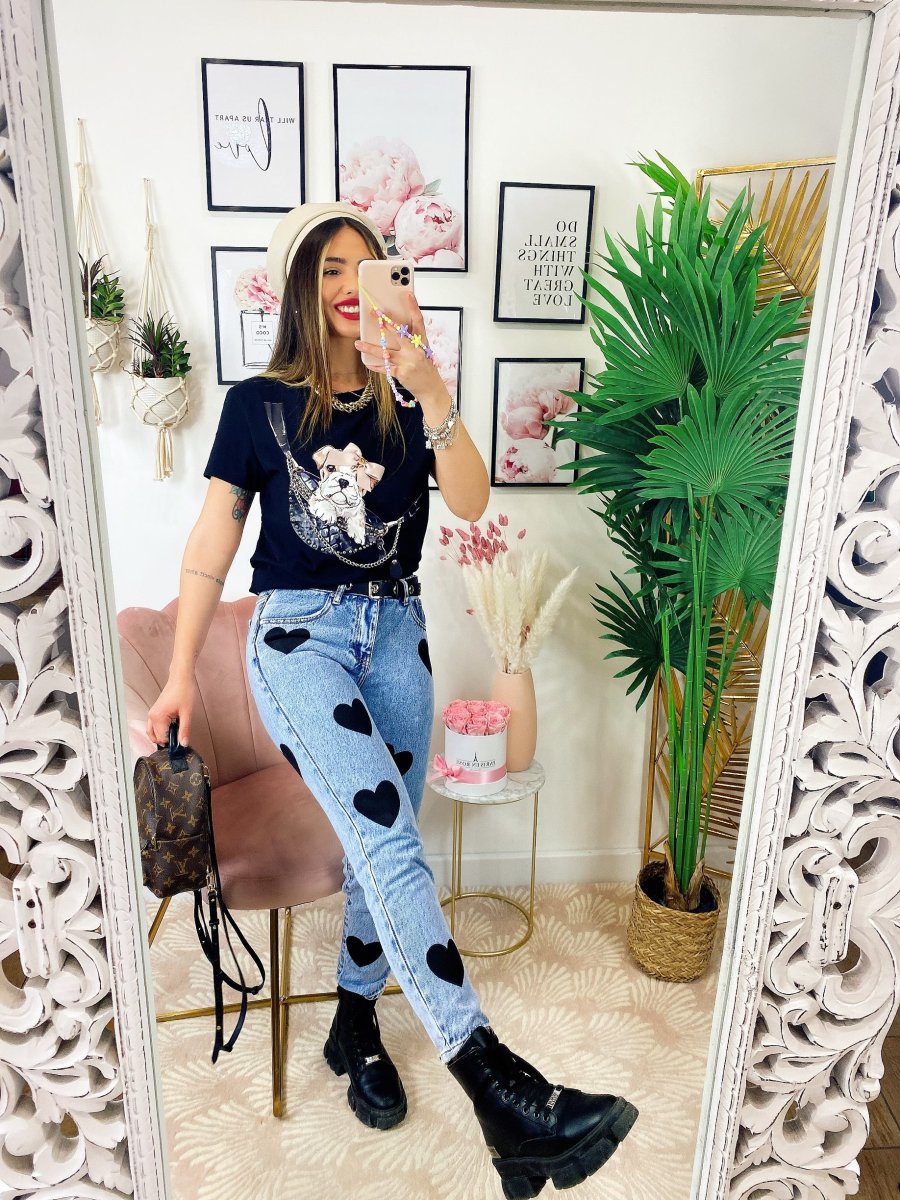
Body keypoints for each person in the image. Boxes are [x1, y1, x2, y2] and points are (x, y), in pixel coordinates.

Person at [146, 201, 638, 1198]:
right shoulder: (258, 406)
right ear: (302, 285)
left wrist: (429, 382)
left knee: (390, 843)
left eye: (366, 268)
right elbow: (210, 546)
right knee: (386, 839)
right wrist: (179, 672)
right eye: (329, 268)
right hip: (298, 638)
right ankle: (496, 1084)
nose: (348, 286)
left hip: (399, 638)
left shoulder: (409, 402)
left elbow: (471, 501)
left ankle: (354, 1017)